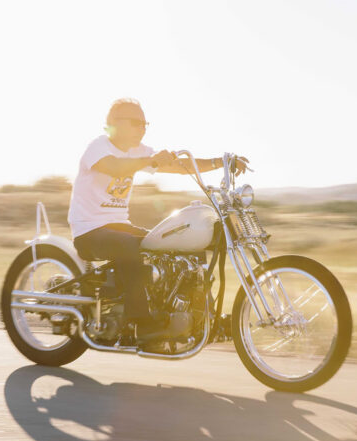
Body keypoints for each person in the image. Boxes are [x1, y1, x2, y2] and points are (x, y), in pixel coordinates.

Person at [67, 98, 247, 342]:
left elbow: (181, 165)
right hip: (90, 230)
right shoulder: (99, 147)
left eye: (145, 124)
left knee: (182, 248)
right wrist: (151, 160)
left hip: (119, 226)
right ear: (113, 123)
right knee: (131, 247)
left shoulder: (139, 152)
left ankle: (204, 317)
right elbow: (116, 167)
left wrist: (220, 162)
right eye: (136, 123)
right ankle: (142, 325)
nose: (142, 128)